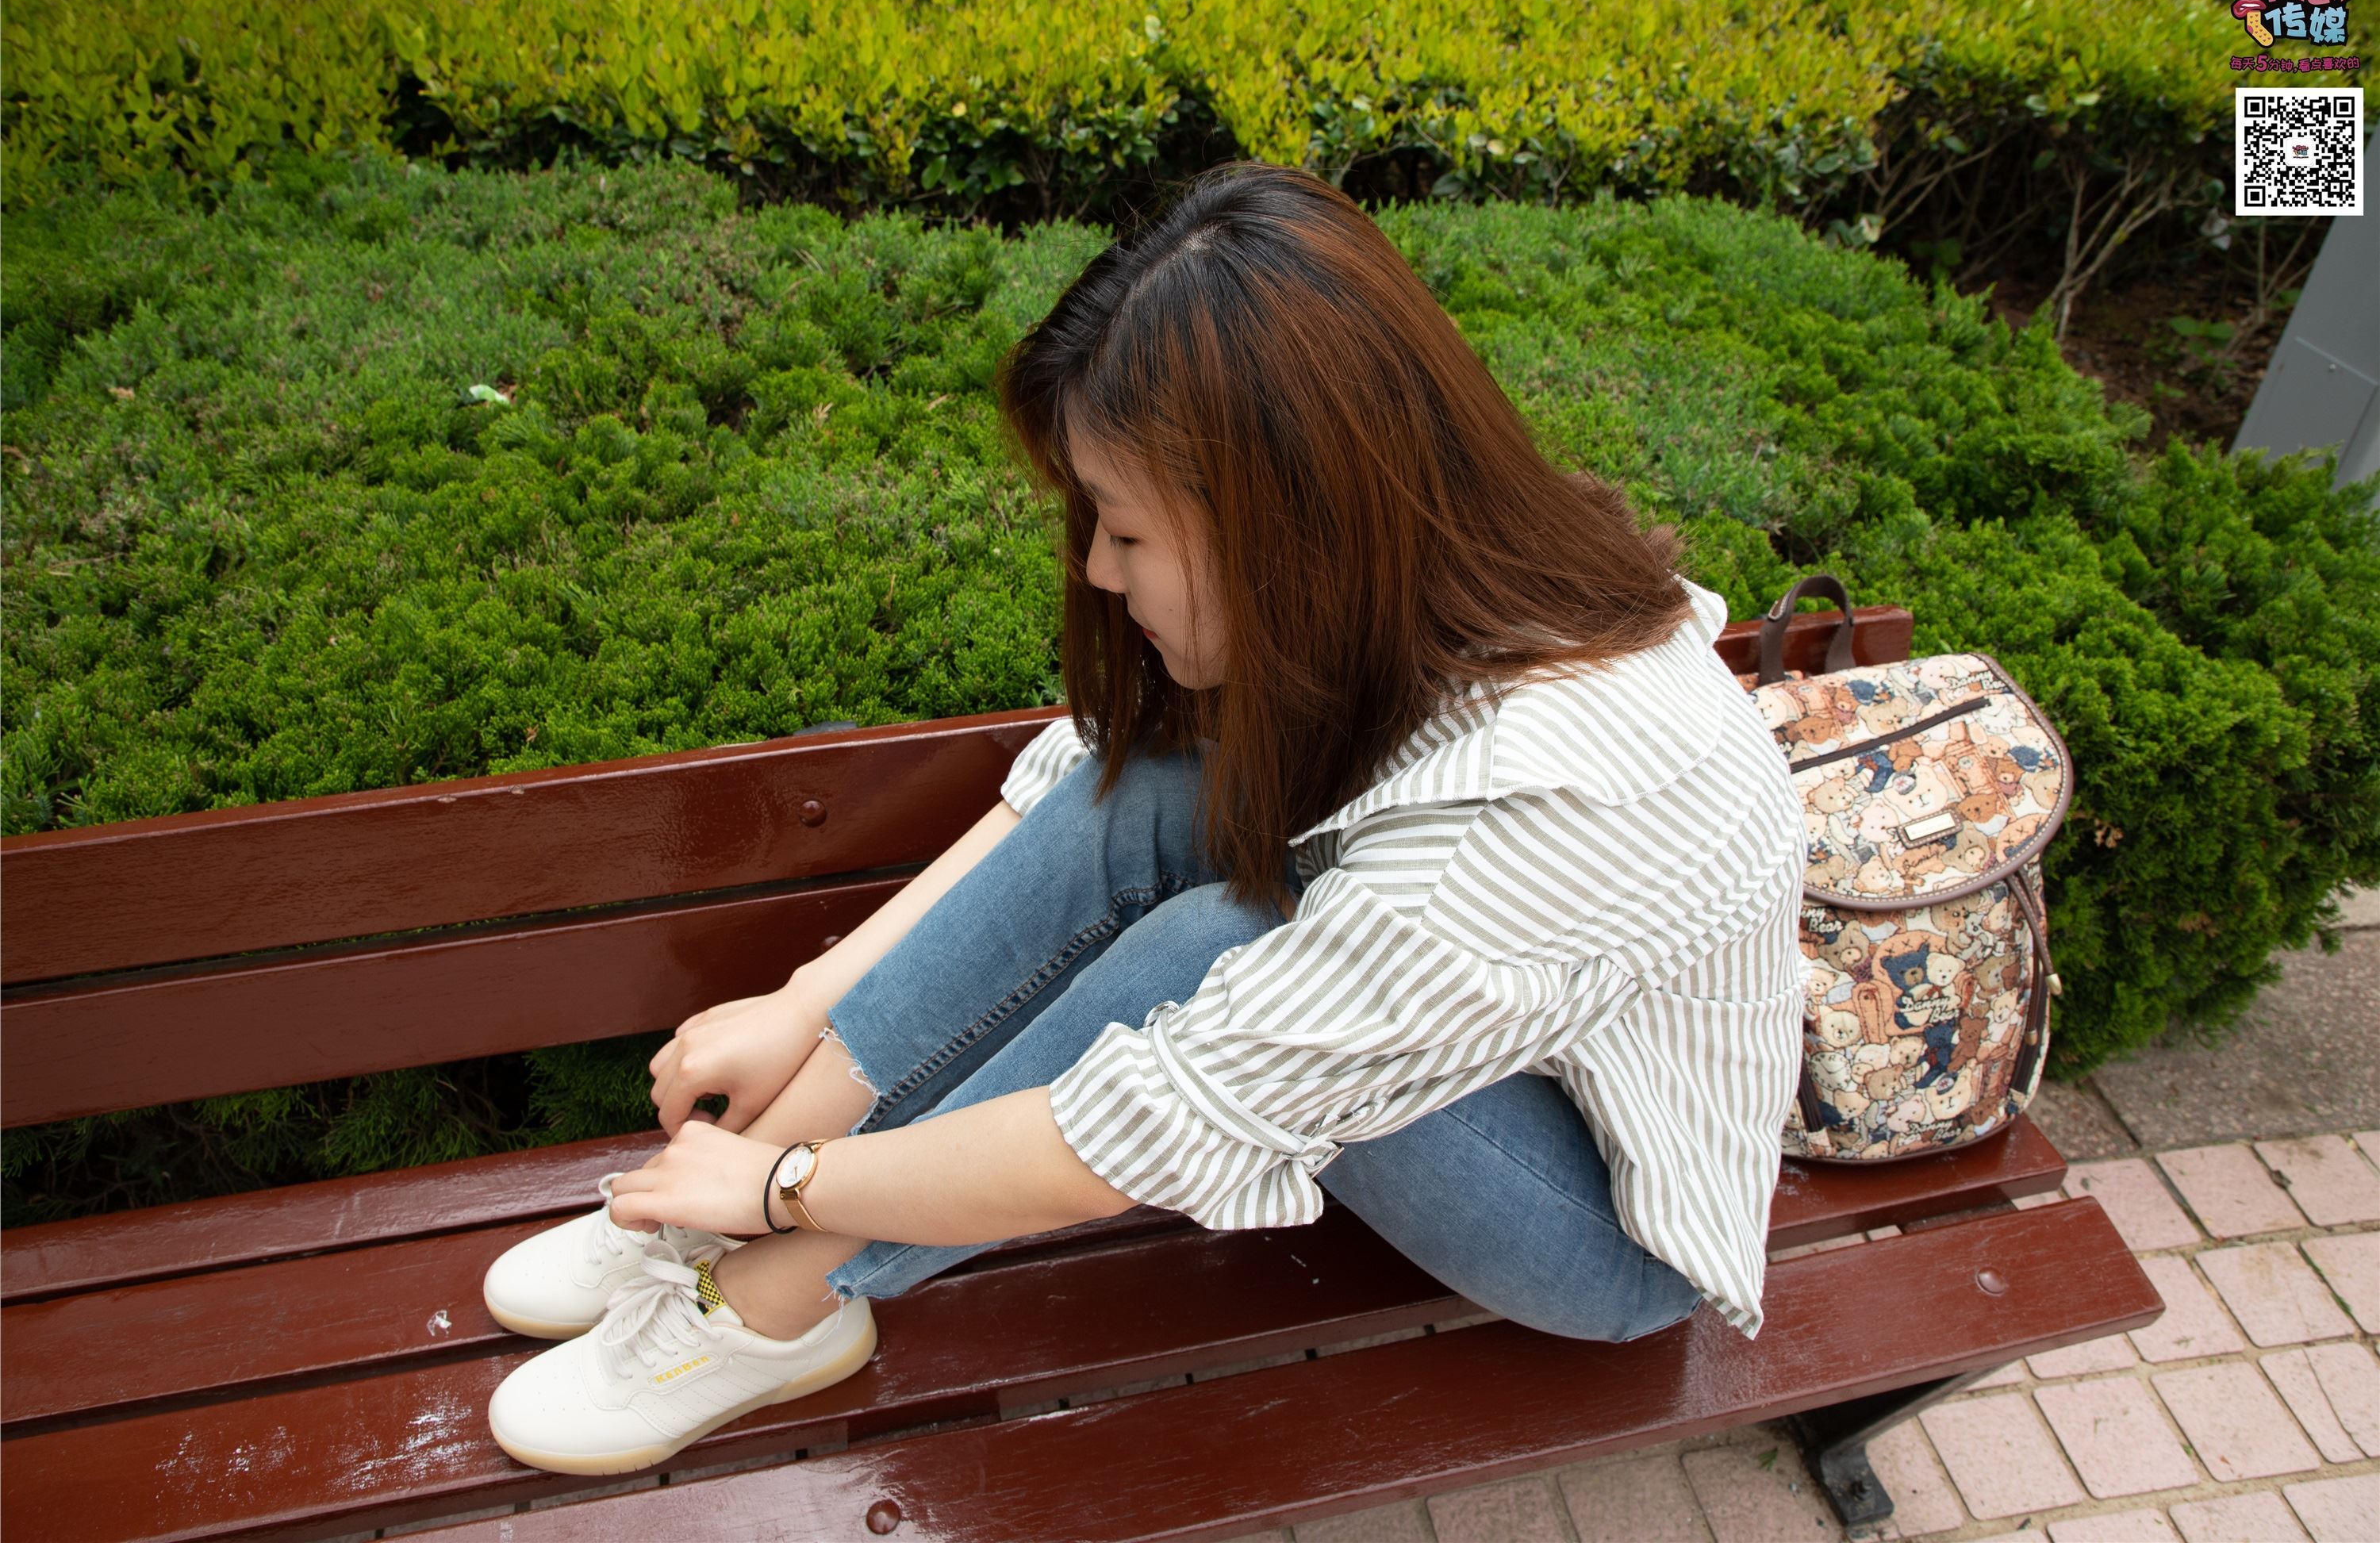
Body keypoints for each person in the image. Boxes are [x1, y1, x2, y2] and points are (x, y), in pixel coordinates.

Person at [479, 159, 1808, 1478]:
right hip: (1470, 1015)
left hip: (1601, 1225)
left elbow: (1135, 1132)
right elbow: (1095, 769)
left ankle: (777, 1304)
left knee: (1218, 942)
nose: (1099, 573)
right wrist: (809, 1003)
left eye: (1122, 531)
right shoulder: (1429, 587)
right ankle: (712, 1211)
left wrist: (788, 1200)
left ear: (1280, 520)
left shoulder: (1539, 799)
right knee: (1163, 792)